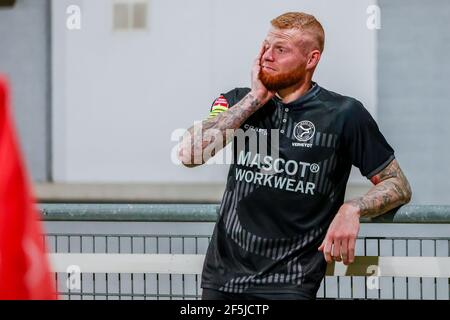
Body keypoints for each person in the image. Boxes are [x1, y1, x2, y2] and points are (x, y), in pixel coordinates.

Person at [178, 12, 412, 300]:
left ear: (311, 59)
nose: (267, 56)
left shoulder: (344, 114)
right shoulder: (237, 101)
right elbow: (189, 153)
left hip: (291, 283)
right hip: (223, 279)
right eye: (265, 46)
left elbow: (397, 184)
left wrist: (353, 208)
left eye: (281, 49)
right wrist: (255, 99)